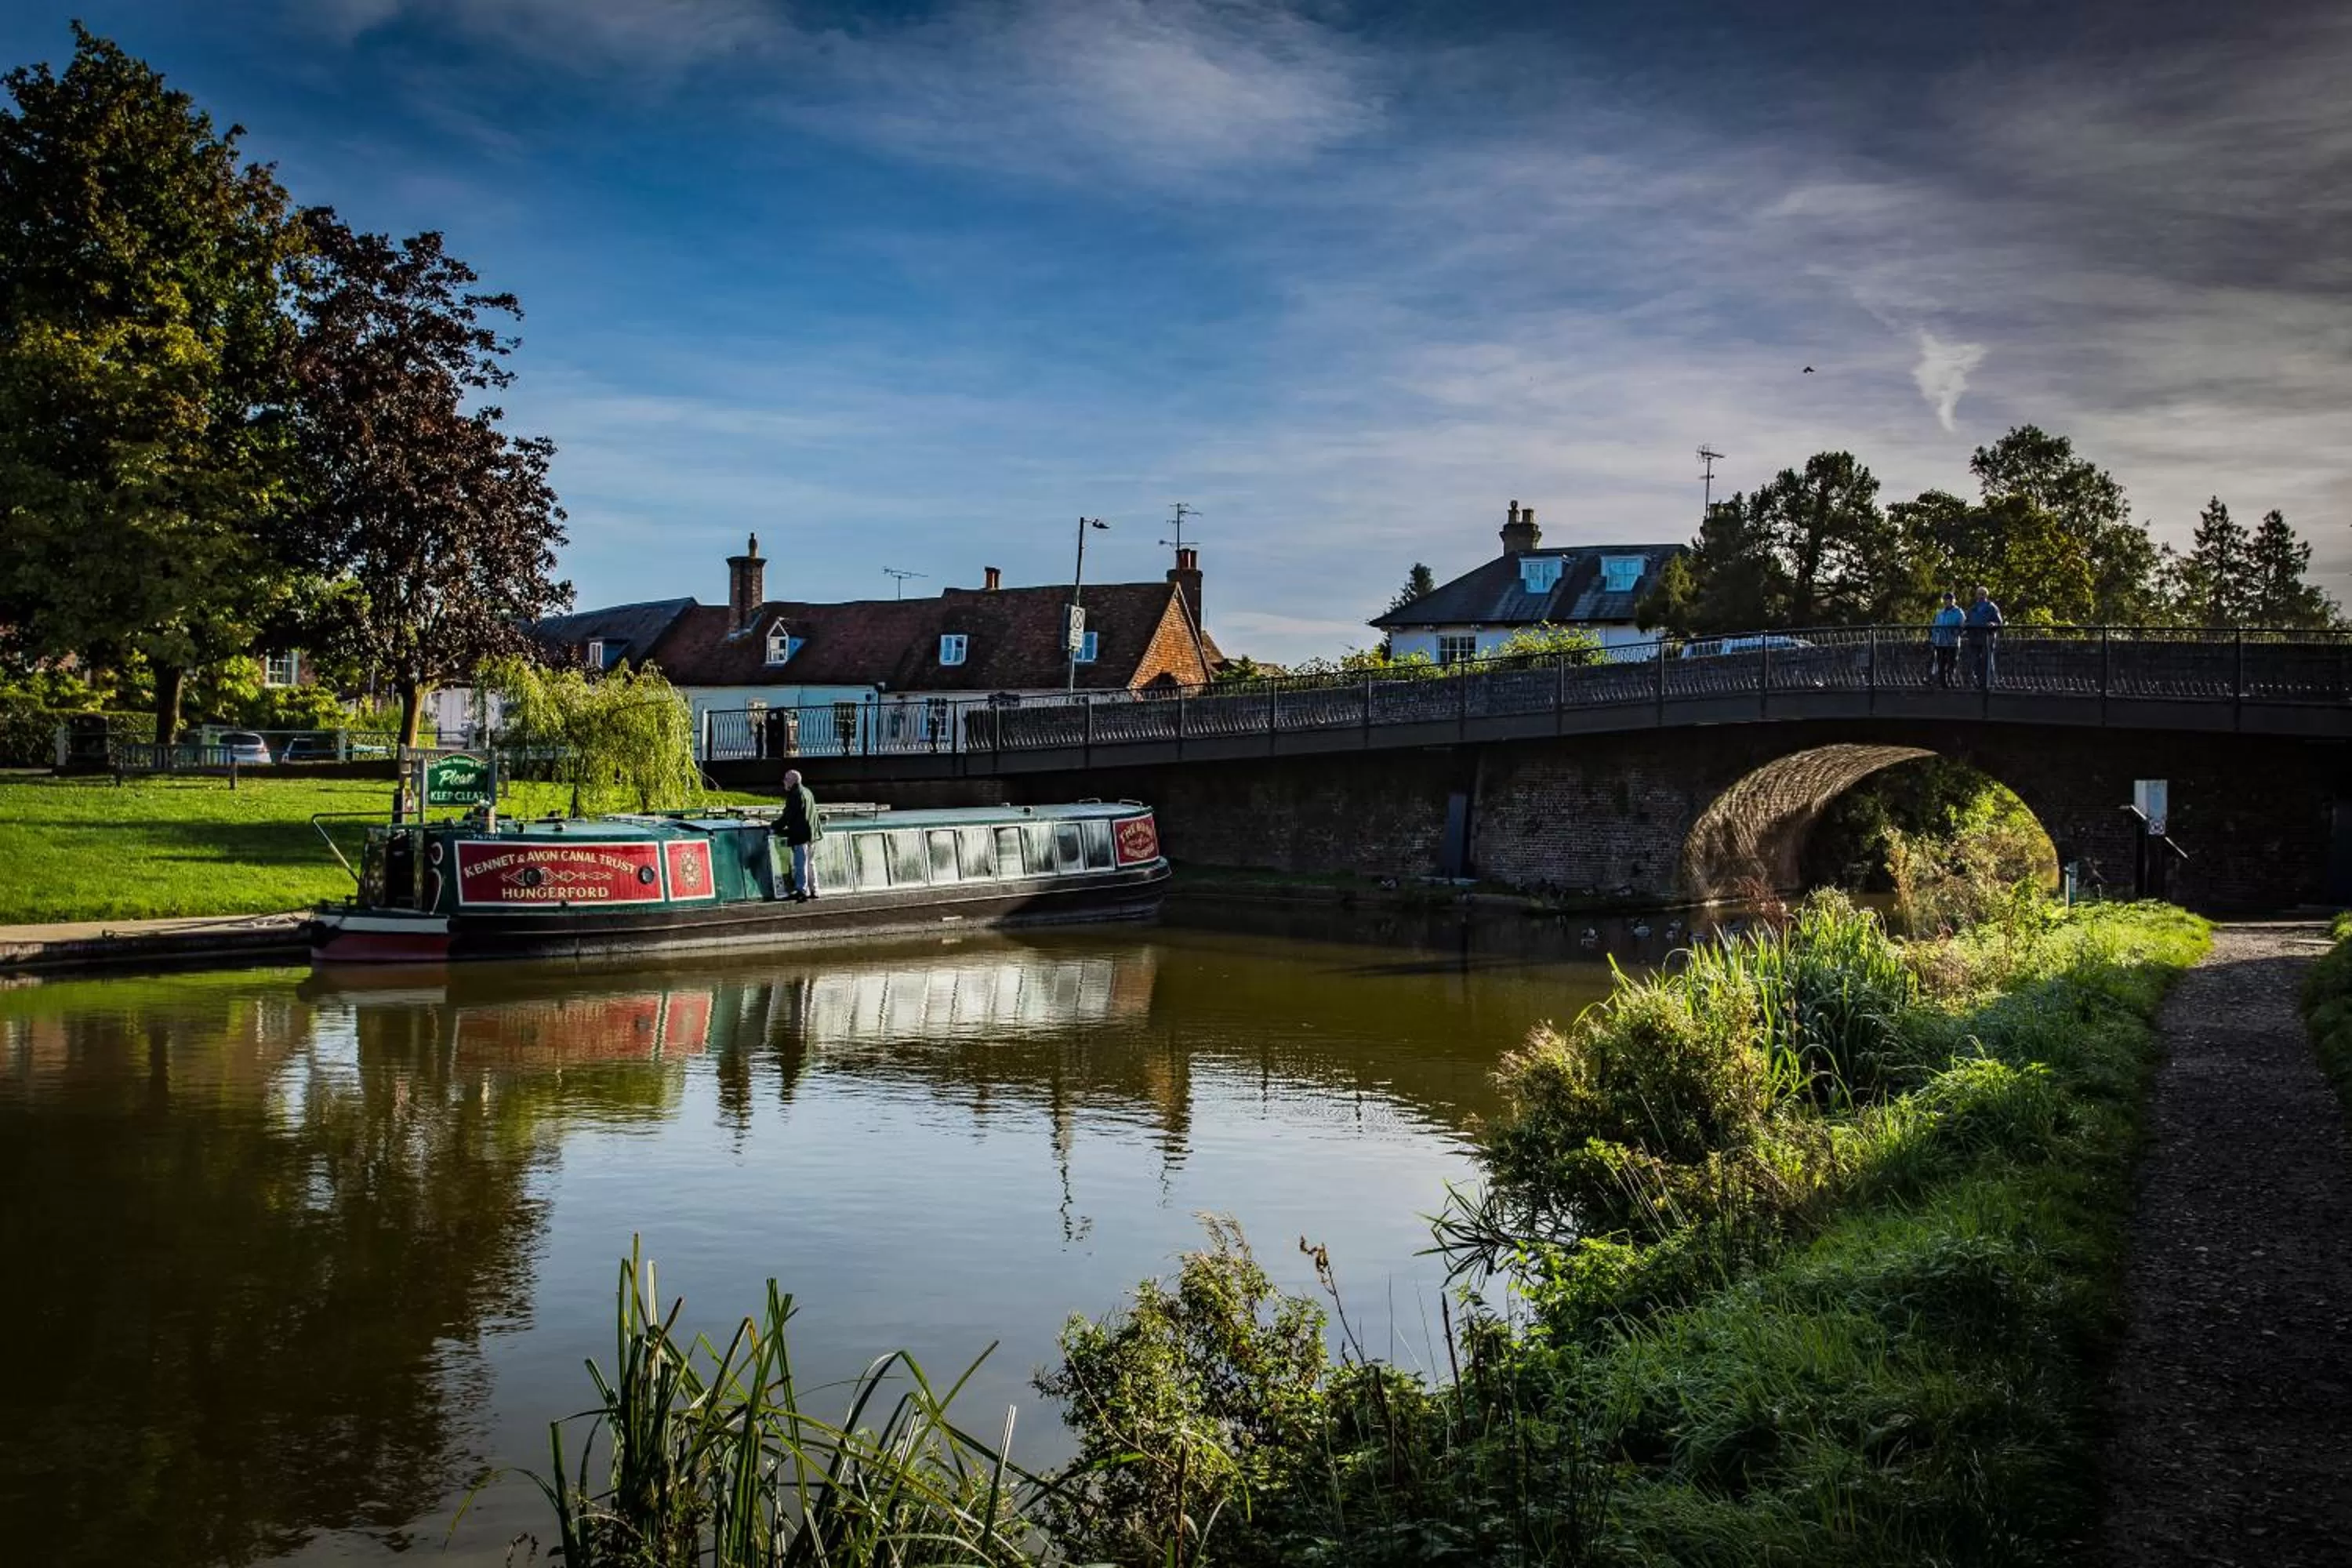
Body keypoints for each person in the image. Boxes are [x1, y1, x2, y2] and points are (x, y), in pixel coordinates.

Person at [777, 768, 823, 900]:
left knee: (801, 862)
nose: (784, 782)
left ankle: (802, 890)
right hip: (812, 834)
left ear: (792, 781)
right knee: (810, 862)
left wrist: (776, 826)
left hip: (801, 834)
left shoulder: (795, 795)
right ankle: (815, 890)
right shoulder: (808, 792)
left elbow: (788, 816)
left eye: (786, 779)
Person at [1964, 585, 2004, 690]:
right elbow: (1967, 621)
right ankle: (1979, 682)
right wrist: (1966, 626)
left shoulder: (1992, 607)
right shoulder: (1973, 608)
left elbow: (1999, 622)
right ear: (1976, 595)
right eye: (1979, 594)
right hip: (1974, 638)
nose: (1981, 596)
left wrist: (1993, 624)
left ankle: (1990, 683)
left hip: (1987, 637)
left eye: (1983, 594)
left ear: (1987, 595)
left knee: (1987, 661)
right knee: (1975, 661)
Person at [1929, 590, 1965, 688]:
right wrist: (1933, 640)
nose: (1946, 601)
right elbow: (1935, 627)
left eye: (1949, 599)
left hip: (1952, 642)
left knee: (1952, 663)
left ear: (1953, 601)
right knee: (1941, 663)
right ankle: (1943, 683)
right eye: (1945, 600)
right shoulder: (1940, 613)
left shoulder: (1959, 612)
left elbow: (1962, 626)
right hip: (1940, 642)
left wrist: (1955, 632)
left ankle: (1951, 681)